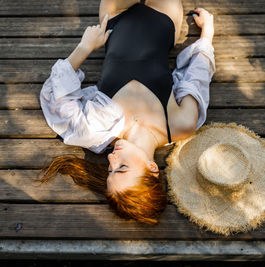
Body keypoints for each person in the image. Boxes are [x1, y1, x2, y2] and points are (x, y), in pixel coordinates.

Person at [34, 0, 216, 225]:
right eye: (121, 168)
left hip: (116, 15)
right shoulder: (181, 124)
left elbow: (56, 99)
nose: (111, 159)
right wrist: (207, 34)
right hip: (163, 18)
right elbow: (196, 77)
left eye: (109, 169)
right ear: (152, 168)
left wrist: (85, 48)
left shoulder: (98, 130)